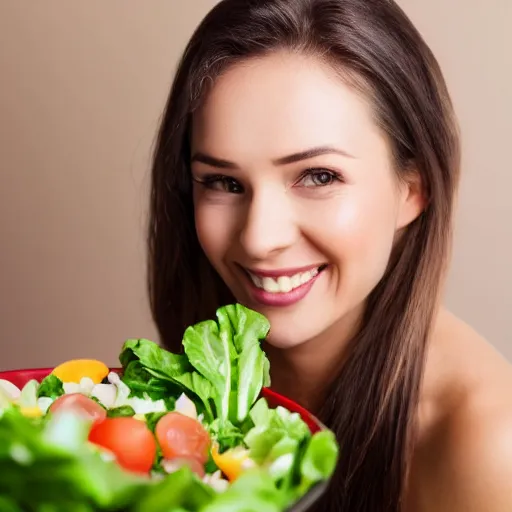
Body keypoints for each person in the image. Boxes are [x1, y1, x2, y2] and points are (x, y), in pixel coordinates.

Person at [146, 0, 512, 510]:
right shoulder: (208, 372)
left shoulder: (487, 447)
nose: (258, 238)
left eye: (319, 176)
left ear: (412, 189)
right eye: (224, 182)